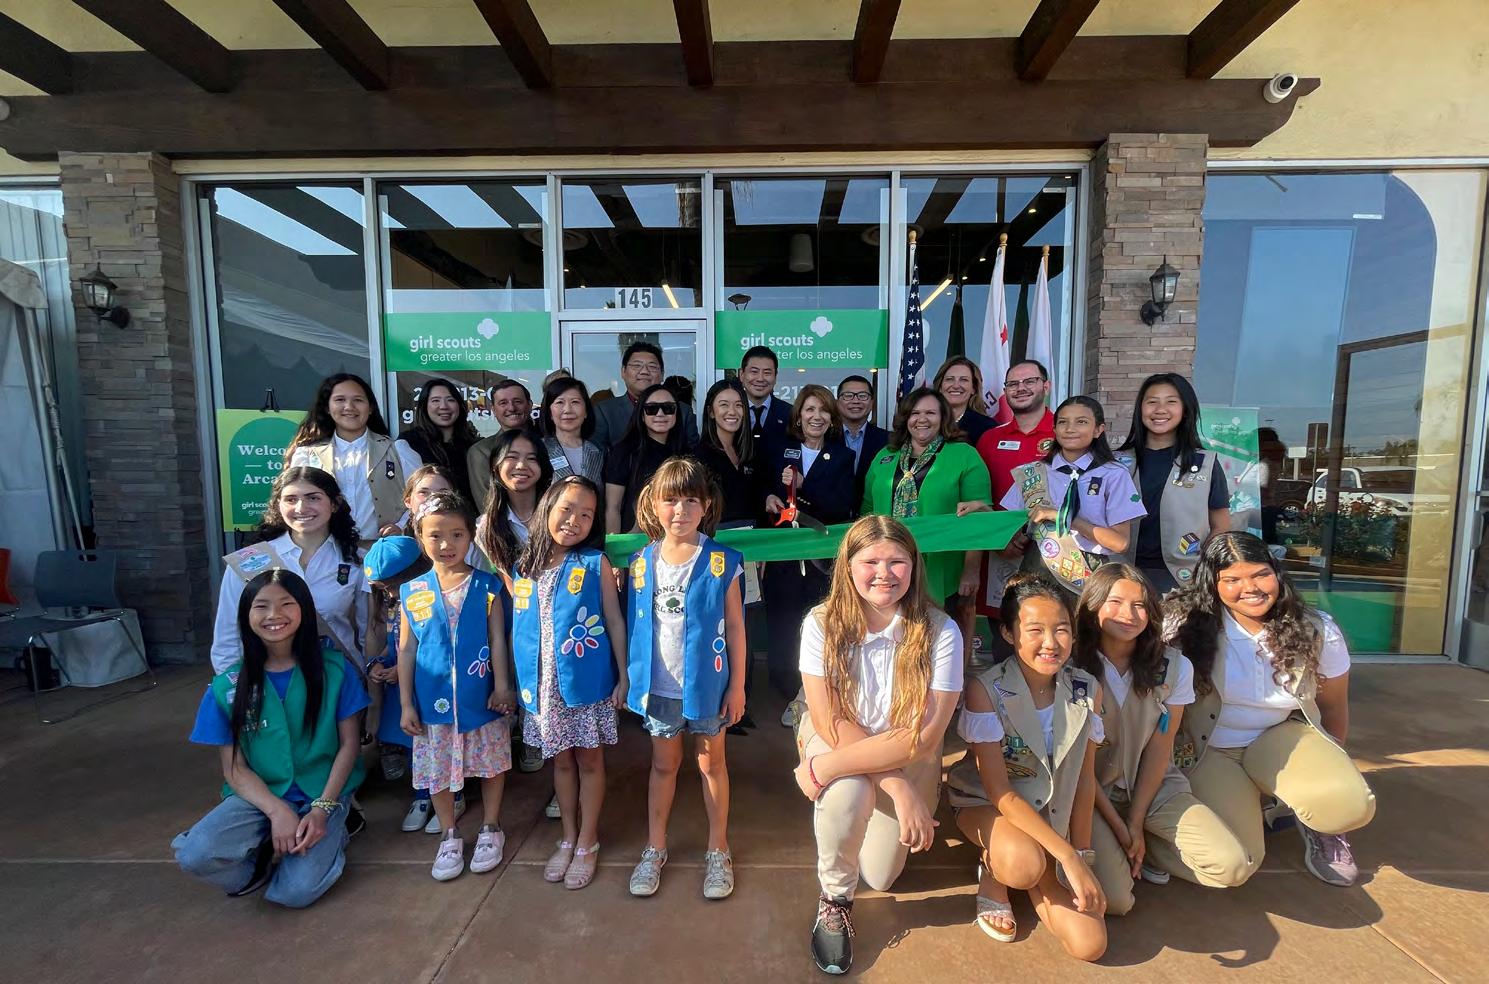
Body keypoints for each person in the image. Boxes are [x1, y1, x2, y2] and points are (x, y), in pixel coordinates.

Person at [790, 516, 962, 976]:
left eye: (896, 562)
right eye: (870, 562)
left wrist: (825, 768)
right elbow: (828, 719)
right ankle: (834, 899)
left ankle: (850, 804)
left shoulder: (941, 630)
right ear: (848, 566)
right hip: (837, 740)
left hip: (910, 754)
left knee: (882, 876)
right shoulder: (821, 623)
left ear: (914, 567)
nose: (884, 573)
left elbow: (923, 737)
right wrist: (896, 786)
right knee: (848, 790)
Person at [1165, 532, 1376, 887]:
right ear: (1212, 583)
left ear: (1276, 573)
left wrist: (1328, 768)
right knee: (1237, 860)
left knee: (1350, 806)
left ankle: (1318, 825)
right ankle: (1153, 847)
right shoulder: (1182, 625)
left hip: (1281, 737)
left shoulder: (1316, 628)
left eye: (1260, 574)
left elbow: (1333, 706)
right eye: (1232, 579)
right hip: (1209, 747)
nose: (1250, 588)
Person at [174, 569, 368, 907]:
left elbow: (349, 746)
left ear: (304, 609)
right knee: (194, 854)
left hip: (323, 793)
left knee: (296, 892)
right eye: (261, 606)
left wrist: (322, 809)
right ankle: (262, 858)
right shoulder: (227, 686)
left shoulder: (335, 670)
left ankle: (338, 827)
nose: (274, 615)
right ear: (245, 615)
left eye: (286, 604)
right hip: (260, 797)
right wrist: (277, 812)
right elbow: (234, 769)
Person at [946, 574, 1106, 961]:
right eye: (1034, 630)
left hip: (1051, 815)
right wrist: (1066, 856)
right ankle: (994, 871)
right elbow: (1000, 792)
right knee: (1022, 865)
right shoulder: (987, 689)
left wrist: (1081, 854)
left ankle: (1038, 869)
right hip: (989, 804)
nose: (1050, 643)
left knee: (1090, 944)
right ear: (1008, 632)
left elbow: (1084, 780)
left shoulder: (1086, 690)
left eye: (1061, 630)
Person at [1074, 564, 1249, 915]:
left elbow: (1159, 749)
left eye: (1140, 605)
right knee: (1117, 902)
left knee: (1230, 865)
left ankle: (1149, 848)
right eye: (1115, 602)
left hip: (1151, 788)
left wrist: (1136, 821)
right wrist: (1121, 828)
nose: (1129, 614)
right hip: (1090, 795)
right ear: (1092, 606)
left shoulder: (1174, 666)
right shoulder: (1070, 663)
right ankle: (1123, 849)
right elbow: (1078, 764)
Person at [624, 457, 748, 901]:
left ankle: (718, 849)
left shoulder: (722, 562)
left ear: (706, 505)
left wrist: (737, 685)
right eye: (671, 500)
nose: (681, 510)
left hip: (709, 687)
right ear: (654, 504)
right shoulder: (640, 562)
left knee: (712, 765)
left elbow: (736, 628)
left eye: (691, 500)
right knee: (664, 766)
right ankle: (655, 847)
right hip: (659, 688)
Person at [511, 476, 628, 891]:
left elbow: (614, 620)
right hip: (544, 688)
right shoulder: (523, 568)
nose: (574, 520)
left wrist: (623, 675)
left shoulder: (595, 564)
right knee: (560, 763)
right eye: (566, 509)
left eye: (586, 515)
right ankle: (568, 836)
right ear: (547, 507)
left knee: (590, 762)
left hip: (586, 684)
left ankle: (588, 841)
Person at [398, 490, 515, 882]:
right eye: (435, 535)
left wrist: (502, 686)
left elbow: (498, 638)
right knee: (437, 770)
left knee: (490, 764)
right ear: (420, 537)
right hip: (432, 704)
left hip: (481, 698)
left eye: (457, 535)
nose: (446, 544)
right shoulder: (412, 591)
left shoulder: (487, 585)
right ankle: (449, 833)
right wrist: (406, 704)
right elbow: (406, 650)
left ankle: (491, 826)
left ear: (470, 537)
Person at [860, 387, 992, 664]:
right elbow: (868, 511)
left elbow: (980, 518)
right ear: (905, 418)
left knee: (938, 644)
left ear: (943, 417)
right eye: (915, 413)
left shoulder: (964, 455)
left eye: (930, 413)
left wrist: (971, 570)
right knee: (892, 640)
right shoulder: (885, 455)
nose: (922, 419)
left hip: (942, 570)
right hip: (888, 568)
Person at [212, 467, 367, 673]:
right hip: (270, 682)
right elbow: (228, 639)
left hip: (339, 676)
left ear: (335, 503)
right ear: (278, 505)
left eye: (313, 498)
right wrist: (235, 687)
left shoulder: (357, 561)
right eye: (291, 499)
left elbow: (369, 632)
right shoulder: (250, 561)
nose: (301, 508)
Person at [762, 385, 856, 714]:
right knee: (783, 619)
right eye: (810, 410)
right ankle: (787, 687)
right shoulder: (779, 450)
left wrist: (806, 486)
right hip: (784, 557)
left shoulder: (843, 457)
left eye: (823, 410)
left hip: (821, 559)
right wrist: (768, 497)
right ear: (799, 416)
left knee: (819, 620)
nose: (817, 416)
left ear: (832, 418)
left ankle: (814, 686)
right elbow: (763, 486)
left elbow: (841, 505)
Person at [1000, 395, 1145, 597]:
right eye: (1063, 422)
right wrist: (980, 509)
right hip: (1038, 566)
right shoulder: (1033, 472)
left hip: (1090, 571)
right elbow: (1007, 527)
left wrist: (1063, 518)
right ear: (1054, 429)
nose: (1070, 429)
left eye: (1081, 422)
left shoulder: (1114, 474)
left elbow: (1120, 543)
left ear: (1098, 430)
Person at [363, 536, 456, 834]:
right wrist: (378, 664)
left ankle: (453, 796)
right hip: (403, 694)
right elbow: (395, 645)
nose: (391, 593)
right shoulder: (396, 605)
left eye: (393, 585)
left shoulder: (437, 600)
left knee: (440, 743)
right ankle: (422, 795)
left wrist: (403, 671)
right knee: (414, 744)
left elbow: (439, 649)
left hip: (432, 689)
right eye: (384, 589)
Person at [1116, 373, 1233, 593]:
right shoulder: (1116, 463)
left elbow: (1221, 526)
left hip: (1182, 578)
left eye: (1171, 401)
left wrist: (1203, 569)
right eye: (1152, 402)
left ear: (1185, 409)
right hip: (1121, 574)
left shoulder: (1205, 463)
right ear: (1140, 409)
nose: (1160, 410)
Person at [286, 373, 421, 541]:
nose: (349, 406)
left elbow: (424, 497)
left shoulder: (398, 450)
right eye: (340, 400)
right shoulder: (307, 455)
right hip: (328, 549)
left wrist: (401, 526)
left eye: (358, 400)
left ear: (370, 408)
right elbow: (295, 503)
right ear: (327, 407)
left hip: (383, 550)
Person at [976, 360, 1056, 619]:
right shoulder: (990, 439)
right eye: (1013, 384)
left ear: (1046, 386)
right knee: (1004, 625)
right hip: (1001, 549)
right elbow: (978, 496)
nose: (1021, 388)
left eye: (1029, 381)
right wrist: (999, 539)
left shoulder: (1065, 433)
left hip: (1053, 551)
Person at [605, 382, 689, 534]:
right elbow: (612, 507)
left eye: (668, 408)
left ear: (677, 413)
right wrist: (615, 544)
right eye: (651, 409)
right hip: (636, 539)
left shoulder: (686, 454)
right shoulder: (624, 452)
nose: (660, 414)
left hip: (678, 537)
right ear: (641, 415)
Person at [475, 429, 554, 583]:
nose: (521, 465)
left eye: (531, 458)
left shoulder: (558, 514)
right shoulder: (486, 528)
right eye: (511, 457)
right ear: (495, 465)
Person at [592, 341, 699, 450]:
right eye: (636, 365)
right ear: (623, 372)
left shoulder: (683, 412)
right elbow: (597, 454)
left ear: (662, 374)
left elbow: (692, 454)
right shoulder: (604, 412)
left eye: (652, 366)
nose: (644, 371)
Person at [690, 378, 761, 528]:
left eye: (739, 405)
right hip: (718, 537)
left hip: (754, 536)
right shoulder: (698, 458)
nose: (732, 411)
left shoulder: (752, 452)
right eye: (724, 405)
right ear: (711, 412)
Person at [398, 378, 480, 504]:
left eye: (450, 400)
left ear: (459, 405)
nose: (444, 406)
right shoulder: (409, 443)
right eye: (435, 400)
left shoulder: (472, 445)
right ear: (424, 406)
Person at [467, 379, 536, 509]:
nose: (511, 408)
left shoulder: (547, 444)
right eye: (503, 403)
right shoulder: (482, 452)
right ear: (493, 410)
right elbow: (487, 505)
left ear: (529, 405)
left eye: (518, 401)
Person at [538, 376, 606, 484]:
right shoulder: (538, 449)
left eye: (575, 402)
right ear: (549, 412)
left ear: (586, 411)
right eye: (560, 402)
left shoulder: (600, 452)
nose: (567, 410)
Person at [837, 374, 888, 498]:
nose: (856, 401)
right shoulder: (825, 438)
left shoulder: (888, 440)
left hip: (872, 508)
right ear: (837, 402)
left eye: (863, 396)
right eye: (848, 395)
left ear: (872, 403)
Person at [932, 356, 997, 449]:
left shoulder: (987, 427)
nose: (956, 386)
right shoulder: (925, 421)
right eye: (949, 379)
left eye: (963, 380)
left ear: (973, 389)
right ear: (940, 387)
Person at [739, 345, 791, 451]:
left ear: (775, 376)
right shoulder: (731, 413)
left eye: (767, 373)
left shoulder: (790, 414)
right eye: (754, 372)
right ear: (742, 374)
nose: (760, 378)